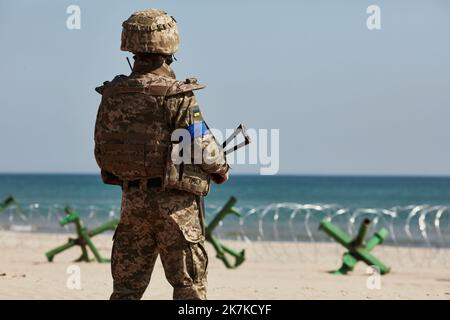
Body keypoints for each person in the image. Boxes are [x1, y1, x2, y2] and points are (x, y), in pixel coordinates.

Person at [93, 9, 229, 300]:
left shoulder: (111, 95)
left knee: (126, 291)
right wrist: (220, 168)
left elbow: (102, 150)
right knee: (189, 289)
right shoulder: (177, 95)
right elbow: (202, 146)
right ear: (169, 49)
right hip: (176, 210)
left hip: (132, 206)